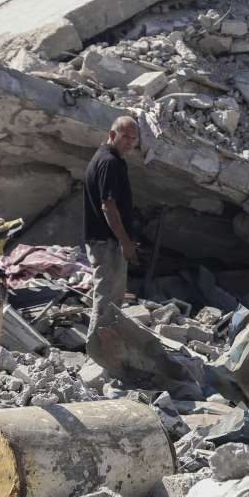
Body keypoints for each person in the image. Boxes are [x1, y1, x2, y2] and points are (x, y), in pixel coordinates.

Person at [83, 116, 140, 340]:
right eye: (125, 137)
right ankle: (97, 349)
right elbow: (108, 205)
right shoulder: (110, 162)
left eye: (133, 138)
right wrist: (125, 242)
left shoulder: (106, 158)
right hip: (107, 243)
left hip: (106, 241)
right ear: (112, 134)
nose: (129, 142)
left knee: (112, 301)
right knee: (106, 301)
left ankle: (104, 347)